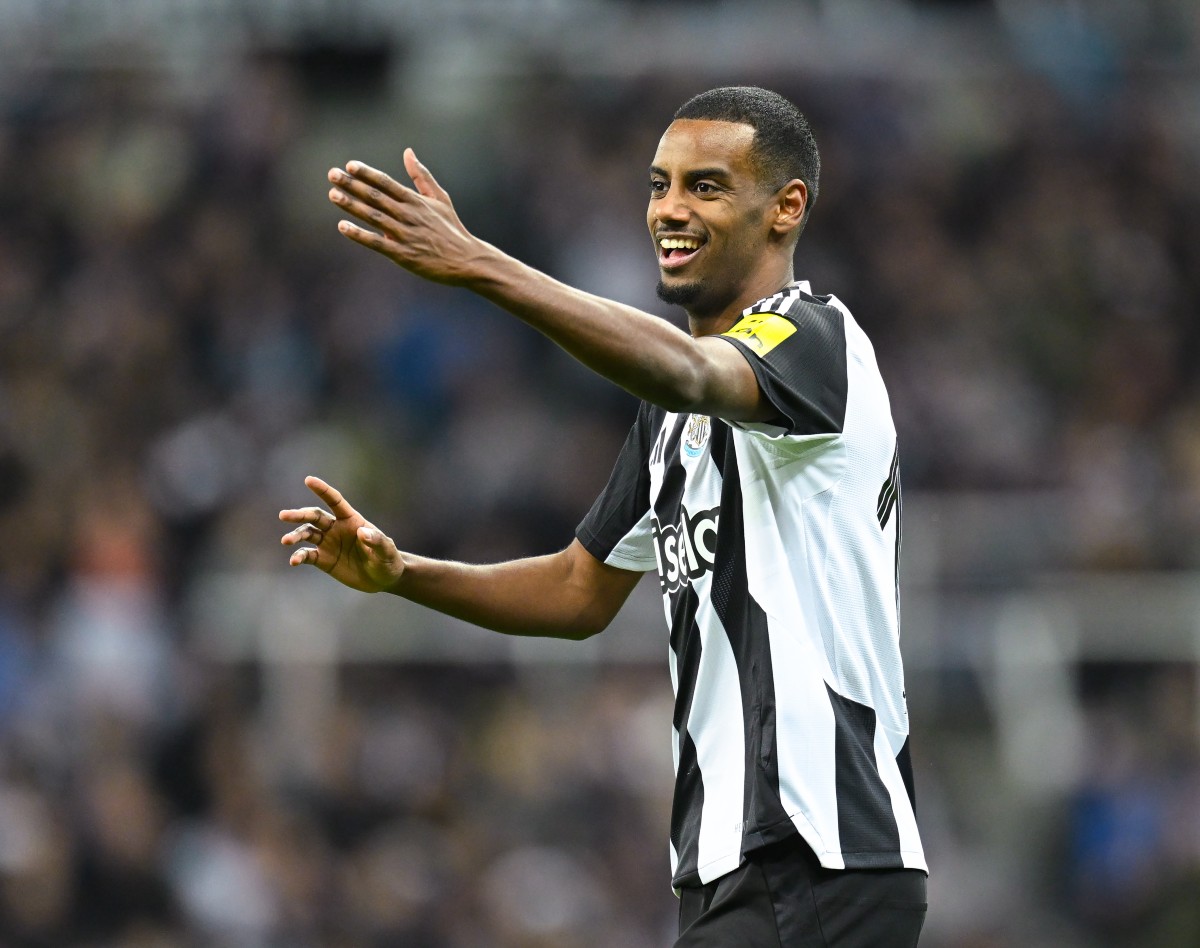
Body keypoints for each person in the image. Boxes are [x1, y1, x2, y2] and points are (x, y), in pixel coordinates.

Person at [280, 86, 927, 946]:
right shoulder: (670, 419)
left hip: (823, 849)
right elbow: (578, 589)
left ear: (786, 208)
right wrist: (405, 575)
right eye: (659, 185)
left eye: (705, 186)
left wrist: (480, 264)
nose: (669, 209)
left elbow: (693, 374)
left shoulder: (818, 339)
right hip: (735, 867)